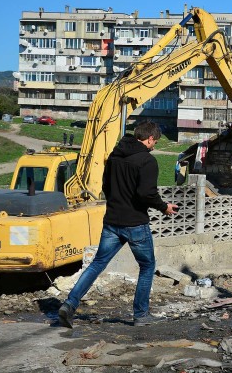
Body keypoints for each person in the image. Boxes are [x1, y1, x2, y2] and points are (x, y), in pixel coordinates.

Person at [58, 121, 178, 328]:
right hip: (135, 223)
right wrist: (163, 207)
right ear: (149, 138)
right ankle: (141, 315)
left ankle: (69, 304)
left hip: (112, 221)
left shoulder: (114, 157)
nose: (155, 146)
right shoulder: (147, 161)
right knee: (147, 266)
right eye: (155, 142)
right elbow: (146, 194)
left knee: (97, 264)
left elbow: (106, 186)